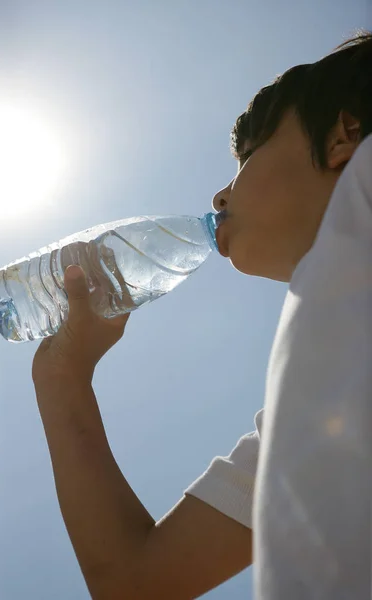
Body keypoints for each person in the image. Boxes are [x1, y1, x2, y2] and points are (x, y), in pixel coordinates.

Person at [32, 30, 372, 599]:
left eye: (252, 154)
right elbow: (136, 583)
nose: (220, 196)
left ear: (343, 136)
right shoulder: (316, 409)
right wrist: (61, 376)